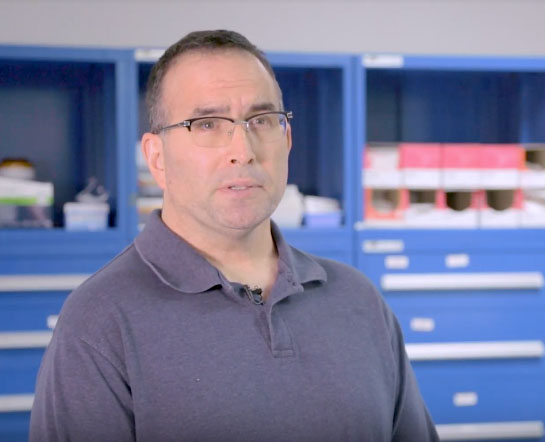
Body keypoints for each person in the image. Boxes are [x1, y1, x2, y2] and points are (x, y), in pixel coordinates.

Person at [30, 30, 439, 442]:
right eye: (207, 124)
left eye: (261, 121)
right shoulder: (98, 324)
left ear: (287, 139)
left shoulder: (358, 301)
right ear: (157, 157)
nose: (243, 150)